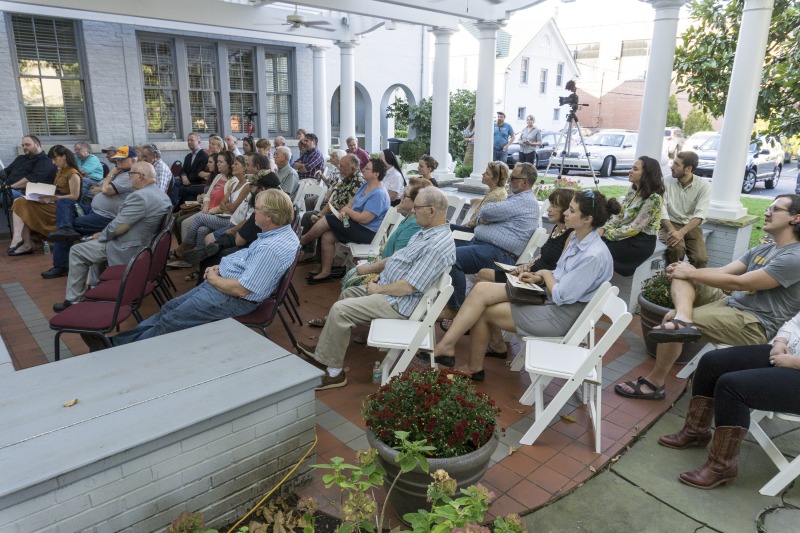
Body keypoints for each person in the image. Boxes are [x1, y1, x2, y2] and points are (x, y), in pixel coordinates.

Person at [615, 194, 800, 401]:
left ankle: (655, 382)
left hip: (754, 323)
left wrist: (691, 272)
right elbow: (724, 272)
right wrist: (687, 270)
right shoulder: (765, 248)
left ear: (796, 218)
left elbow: (741, 282)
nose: (767, 212)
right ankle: (683, 319)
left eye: (775, 209)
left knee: (671, 318)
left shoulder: (795, 257)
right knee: (681, 270)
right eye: (769, 207)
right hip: (731, 304)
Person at [421, 189, 615, 380]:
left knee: (483, 310)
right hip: (549, 298)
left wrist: (545, 274)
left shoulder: (593, 256)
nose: (565, 212)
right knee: (480, 289)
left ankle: (471, 365)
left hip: (560, 314)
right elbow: (560, 274)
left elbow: (562, 295)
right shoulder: (577, 238)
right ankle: (447, 347)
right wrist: (538, 276)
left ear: (587, 219)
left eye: (572, 210)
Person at [296, 186, 456, 390]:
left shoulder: (436, 245)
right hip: (389, 289)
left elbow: (409, 287)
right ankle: (326, 350)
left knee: (340, 310)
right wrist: (370, 269)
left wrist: (378, 289)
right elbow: (399, 258)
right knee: (347, 293)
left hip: (399, 303)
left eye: (417, 207)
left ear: (432, 210)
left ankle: (334, 373)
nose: (413, 211)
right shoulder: (427, 233)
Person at [99, 189, 298, 349]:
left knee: (172, 321)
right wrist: (222, 267)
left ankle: (124, 352)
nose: (253, 212)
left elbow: (243, 290)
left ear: (270, 217)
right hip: (225, 287)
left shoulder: (271, 248)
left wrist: (213, 278)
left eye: (257, 209)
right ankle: (117, 344)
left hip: (232, 297)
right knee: (169, 309)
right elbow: (247, 260)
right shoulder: (278, 234)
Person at [658, 311, 800, 490]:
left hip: (796, 367)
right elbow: (794, 322)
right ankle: (696, 431)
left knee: (732, 386)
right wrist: (780, 342)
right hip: (785, 355)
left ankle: (722, 466)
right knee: (711, 361)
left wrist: (795, 362)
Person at [306, 177, 432, 329]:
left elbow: (397, 260)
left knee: (352, 279)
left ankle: (346, 318)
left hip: (388, 273)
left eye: (404, 195)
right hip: (384, 263)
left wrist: (370, 268)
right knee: (350, 276)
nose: (400, 197)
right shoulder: (408, 217)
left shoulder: (414, 226)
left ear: (415, 202)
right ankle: (341, 319)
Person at [53, 161, 172, 312]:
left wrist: (102, 235)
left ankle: (73, 301)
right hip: (144, 244)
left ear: (141, 176)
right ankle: (96, 289)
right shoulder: (160, 194)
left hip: (130, 248)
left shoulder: (140, 197)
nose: (129, 177)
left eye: (131, 174)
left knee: (77, 251)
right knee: (91, 247)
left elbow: (121, 226)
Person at [441, 162, 540, 327]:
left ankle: (455, 308)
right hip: (484, 245)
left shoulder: (525, 201)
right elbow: (484, 215)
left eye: (514, 179)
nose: (509, 182)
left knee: (452, 257)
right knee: (440, 243)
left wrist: (485, 218)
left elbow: (486, 211)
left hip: (499, 254)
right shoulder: (515, 199)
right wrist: (483, 219)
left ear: (525, 182)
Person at [43, 147, 138, 278]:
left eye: (122, 160)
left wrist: (108, 181)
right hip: (93, 210)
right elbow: (94, 188)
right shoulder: (120, 172)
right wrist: (103, 188)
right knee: (64, 203)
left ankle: (61, 265)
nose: (118, 163)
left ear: (133, 160)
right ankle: (65, 231)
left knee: (65, 227)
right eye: (117, 160)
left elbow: (106, 190)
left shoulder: (130, 175)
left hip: (105, 217)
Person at [301, 157, 390, 284]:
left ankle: (302, 241)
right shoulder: (366, 185)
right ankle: (326, 272)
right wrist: (344, 209)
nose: (363, 170)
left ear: (376, 174)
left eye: (367, 169)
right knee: (327, 235)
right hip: (355, 225)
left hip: (367, 232)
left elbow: (364, 219)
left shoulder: (379, 194)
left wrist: (347, 211)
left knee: (328, 219)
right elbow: (352, 202)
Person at [477, 187, 575, 285]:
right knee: (483, 274)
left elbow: (560, 269)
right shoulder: (556, 228)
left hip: (537, 280)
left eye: (554, 206)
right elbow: (543, 256)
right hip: (530, 272)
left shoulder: (570, 234)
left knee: (484, 275)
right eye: (550, 205)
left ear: (566, 209)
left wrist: (533, 275)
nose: (549, 209)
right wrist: (526, 265)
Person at [8, 145, 81, 256]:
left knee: (24, 206)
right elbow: (57, 189)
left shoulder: (73, 173)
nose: (53, 162)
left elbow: (74, 196)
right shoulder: (60, 171)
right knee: (20, 201)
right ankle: (22, 240)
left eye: (55, 159)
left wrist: (53, 198)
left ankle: (25, 242)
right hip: (52, 202)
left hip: (63, 207)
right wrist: (43, 192)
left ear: (64, 157)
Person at [599, 155, 664, 276]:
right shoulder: (632, 190)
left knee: (600, 247)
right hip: (625, 234)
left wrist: (607, 234)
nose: (630, 171)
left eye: (635, 169)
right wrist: (604, 228)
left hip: (640, 241)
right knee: (594, 242)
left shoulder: (654, 199)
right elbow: (619, 216)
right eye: (631, 168)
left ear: (646, 174)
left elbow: (635, 228)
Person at [299, 154, 363, 262]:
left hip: (345, 218)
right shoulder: (346, 179)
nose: (340, 169)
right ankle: (309, 251)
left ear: (352, 168)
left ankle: (307, 247)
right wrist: (320, 214)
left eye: (343, 167)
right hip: (334, 213)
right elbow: (333, 201)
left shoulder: (358, 181)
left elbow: (350, 205)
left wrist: (326, 216)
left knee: (323, 227)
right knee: (308, 216)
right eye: (340, 166)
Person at [660, 151, 711, 268]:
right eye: (673, 163)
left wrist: (681, 233)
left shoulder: (704, 186)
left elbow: (700, 215)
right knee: (677, 249)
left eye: (676, 165)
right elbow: (661, 210)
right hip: (669, 224)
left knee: (700, 259)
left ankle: (694, 284)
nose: (671, 167)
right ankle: (674, 281)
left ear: (688, 169)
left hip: (691, 226)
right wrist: (673, 231)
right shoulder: (666, 181)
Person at [450, 161, 509, 232]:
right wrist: (480, 201)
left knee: (447, 227)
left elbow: (475, 222)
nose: (482, 174)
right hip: (481, 229)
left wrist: (460, 228)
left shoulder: (494, 196)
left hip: (477, 232)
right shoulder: (499, 191)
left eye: (487, 173)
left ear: (495, 179)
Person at [0, 135, 56, 202]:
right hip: (8, 189)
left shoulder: (45, 161)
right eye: (23, 145)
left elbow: (30, 180)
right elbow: (6, 172)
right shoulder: (20, 158)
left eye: (27, 145)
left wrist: (8, 187)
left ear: (37, 145)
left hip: (25, 194)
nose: (24, 147)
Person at [176, 132, 209, 206]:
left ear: (199, 142)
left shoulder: (204, 156)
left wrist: (186, 179)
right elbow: (183, 170)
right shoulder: (188, 156)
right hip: (187, 182)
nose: (189, 142)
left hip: (196, 183)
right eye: (188, 140)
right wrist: (184, 176)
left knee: (179, 188)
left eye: (192, 140)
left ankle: (175, 209)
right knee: (175, 183)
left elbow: (198, 173)